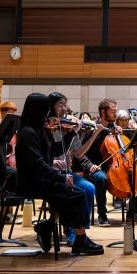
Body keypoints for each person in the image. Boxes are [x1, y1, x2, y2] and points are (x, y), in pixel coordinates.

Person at [15, 93, 103, 256]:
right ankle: (79, 239)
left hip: (40, 178)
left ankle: (55, 230)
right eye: (46, 109)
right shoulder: (27, 133)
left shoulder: (38, 129)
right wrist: (60, 176)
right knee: (76, 194)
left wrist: (71, 133)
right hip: (31, 182)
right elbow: (37, 164)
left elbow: (54, 151)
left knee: (78, 192)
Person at [47, 92, 97, 245]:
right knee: (71, 192)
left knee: (89, 188)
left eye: (65, 104)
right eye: (59, 104)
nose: (64, 108)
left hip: (66, 171)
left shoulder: (68, 127)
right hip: (50, 172)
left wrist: (91, 134)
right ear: (51, 107)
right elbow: (51, 152)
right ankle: (69, 229)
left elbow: (78, 153)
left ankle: (80, 230)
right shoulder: (45, 128)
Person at [80, 98, 124, 226]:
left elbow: (120, 152)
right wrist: (90, 166)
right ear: (103, 113)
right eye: (112, 112)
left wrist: (119, 137)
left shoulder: (114, 129)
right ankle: (102, 215)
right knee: (101, 178)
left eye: (116, 111)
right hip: (94, 168)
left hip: (112, 166)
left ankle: (134, 211)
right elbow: (80, 154)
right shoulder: (91, 129)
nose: (115, 115)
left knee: (133, 174)